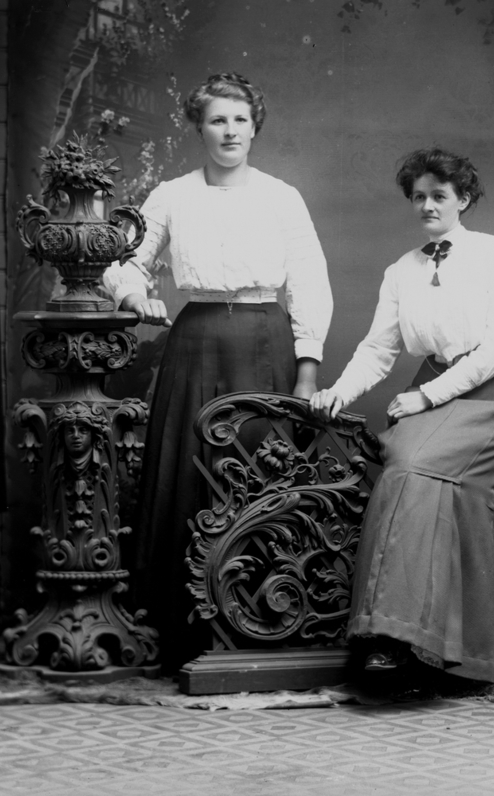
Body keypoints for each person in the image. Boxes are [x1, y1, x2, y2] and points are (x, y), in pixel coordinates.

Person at [103, 73, 333, 671]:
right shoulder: (171, 196)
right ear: (198, 128)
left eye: (240, 120)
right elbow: (123, 260)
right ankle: (182, 631)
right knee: (188, 469)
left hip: (265, 341)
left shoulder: (282, 196)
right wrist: (134, 295)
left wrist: (306, 372)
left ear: (255, 127)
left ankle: (266, 618)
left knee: (260, 471)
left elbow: (309, 282)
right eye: (217, 120)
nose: (230, 131)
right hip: (197, 340)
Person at [310, 147, 494, 682]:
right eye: (418, 197)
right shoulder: (401, 270)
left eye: (439, 195)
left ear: (464, 199)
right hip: (433, 384)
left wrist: (427, 397)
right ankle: (406, 638)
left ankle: (396, 639)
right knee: (401, 470)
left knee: (413, 471)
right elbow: (378, 350)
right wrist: (337, 393)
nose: (427, 206)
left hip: (491, 394)